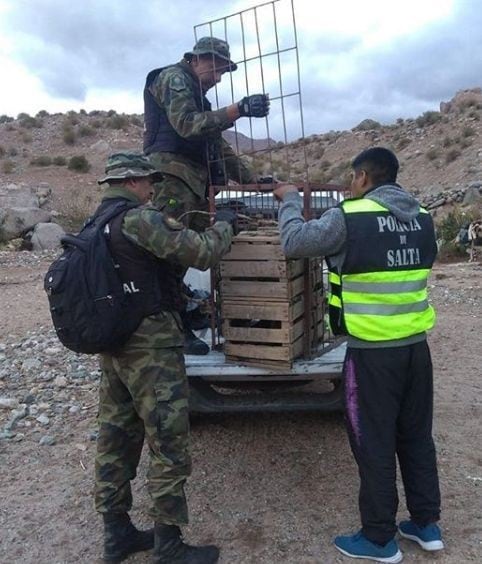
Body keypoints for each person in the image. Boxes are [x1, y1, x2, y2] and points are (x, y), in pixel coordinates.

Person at [273, 147, 443, 563]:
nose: (350, 184)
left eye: (352, 178)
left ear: (363, 176)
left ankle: (379, 538)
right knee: (417, 437)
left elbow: (294, 242)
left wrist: (291, 200)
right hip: (416, 351)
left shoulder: (349, 216)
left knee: (374, 443)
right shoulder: (423, 217)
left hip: (372, 356)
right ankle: (426, 525)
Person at [94, 152, 236, 564]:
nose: (153, 189)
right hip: (151, 348)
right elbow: (203, 252)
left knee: (115, 439)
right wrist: (226, 222)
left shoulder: (97, 222)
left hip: (114, 345)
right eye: (149, 182)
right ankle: (168, 545)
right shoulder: (139, 219)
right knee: (167, 440)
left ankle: (116, 534)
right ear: (134, 181)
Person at [143, 36, 270, 354]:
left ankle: (183, 315)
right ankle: (171, 331)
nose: (218, 78)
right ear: (197, 58)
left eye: (224, 73)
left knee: (184, 256)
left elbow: (218, 148)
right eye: (216, 69)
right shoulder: (172, 78)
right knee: (169, 256)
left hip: (193, 183)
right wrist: (237, 110)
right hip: (172, 180)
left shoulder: (201, 98)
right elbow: (186, 125)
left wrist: (254, 181)